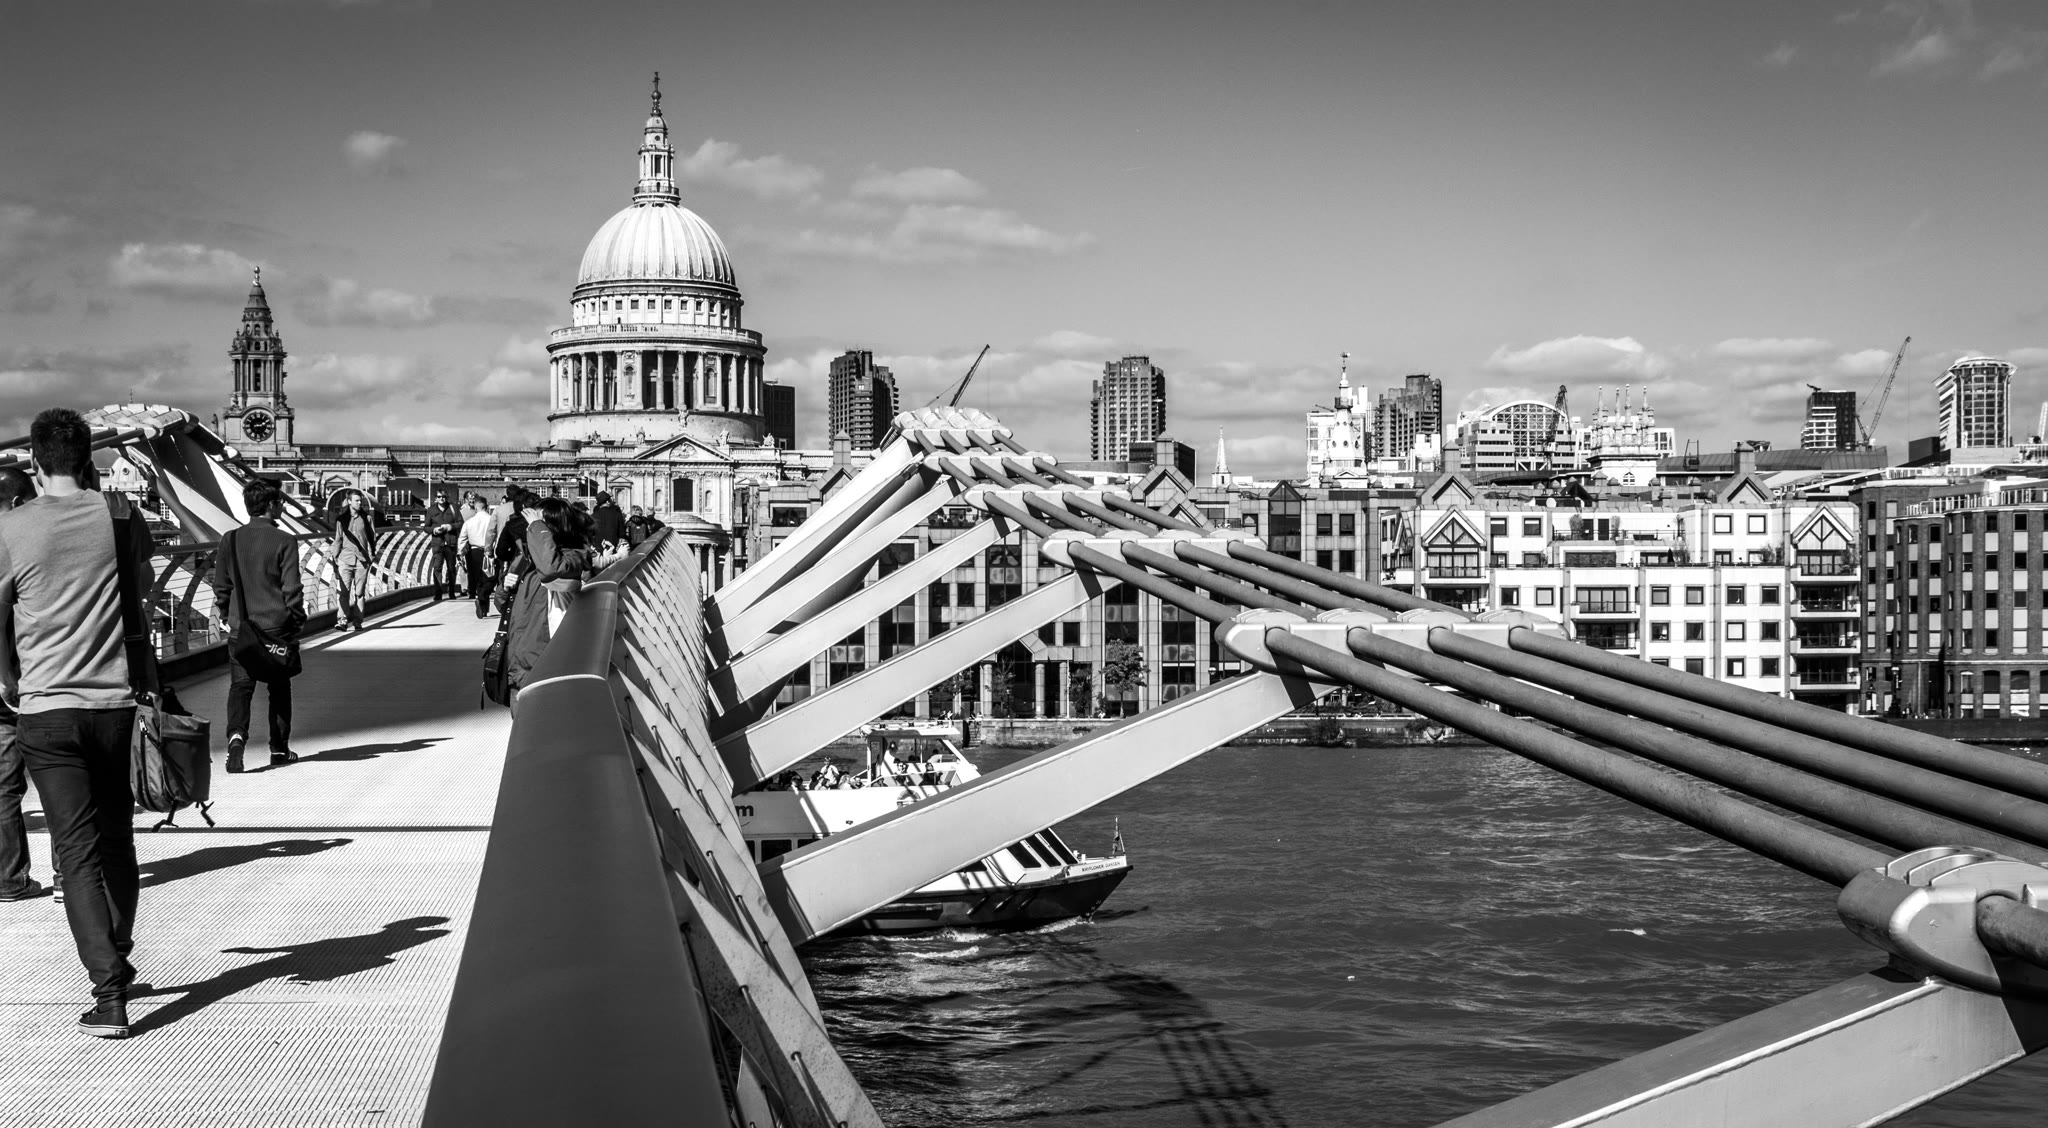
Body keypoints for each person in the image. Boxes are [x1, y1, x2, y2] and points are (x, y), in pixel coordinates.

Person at [0, 408, 154, 1038]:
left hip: (45, 711)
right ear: (88, 459)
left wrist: (8, 676)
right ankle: (117, 952)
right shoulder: (120, 514)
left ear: (36, 463)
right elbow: (142, 588)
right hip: (114, 706)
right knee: (117, 841)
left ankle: (109, 992)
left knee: (76, 852)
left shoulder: (10, 528)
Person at [215, 480, 305, 772]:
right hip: (276, 629)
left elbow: (222, 585)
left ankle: (236, 739)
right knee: (279, 689)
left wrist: (225, 613)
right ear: (270, 505)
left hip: (241, 628)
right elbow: (292, 589)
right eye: (280, 502)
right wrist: (297, 619)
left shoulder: (229, 540)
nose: (283, 506)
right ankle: (279, 749)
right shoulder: (285, 541)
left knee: (240, 687)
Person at [0, 468, 44, 902]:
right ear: (17, 503)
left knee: (2, 785)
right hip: (24, 679)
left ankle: (10, 879)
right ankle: (67, 877)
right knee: (59, 776)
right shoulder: (20, 543)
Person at [504, 497, 595, 697]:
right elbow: (504, 605)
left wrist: (537, 528)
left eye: (538, 523)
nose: (530, 528)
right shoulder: (526, 560)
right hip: (520, 663)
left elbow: (551, 570)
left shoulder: (573, 557)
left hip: (547, 663)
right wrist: (506, 587)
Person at [330, 490, 378, 632]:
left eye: (360, 500)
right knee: (344, 592)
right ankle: (342, 620)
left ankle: (358, 622)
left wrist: (372, 556)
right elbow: (338, 539)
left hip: (362, 561)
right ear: (349, 501)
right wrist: (335, 558)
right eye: (356, 500)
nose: (359, 503)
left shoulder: (367, 518)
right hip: (345, 559)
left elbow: (372, 538)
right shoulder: (341, 520)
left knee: (359, 593)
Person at [456, 496, 493, 619]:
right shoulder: (491, 520)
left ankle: (478, 599)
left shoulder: (469, 522)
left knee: (476, 578)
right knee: (488, 579)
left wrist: (460, 553)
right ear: (486, 506)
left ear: (475, 508)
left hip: (473, 552)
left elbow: (462, 539)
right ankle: (485, 605)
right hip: (488, 551)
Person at [424, 493, 461, 601]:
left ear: (447, 498)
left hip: (450, 543)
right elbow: (426, 527)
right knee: (437, 568)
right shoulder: (431, 510)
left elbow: (460, 523)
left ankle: (451, 592)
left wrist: (450, 526)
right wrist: (434, 530)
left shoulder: (453, 508)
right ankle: (438, 593)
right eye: (439, 497)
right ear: (436, 498)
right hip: (437, 543)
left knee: (451, 569)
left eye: (443, 496)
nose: (441, 498)